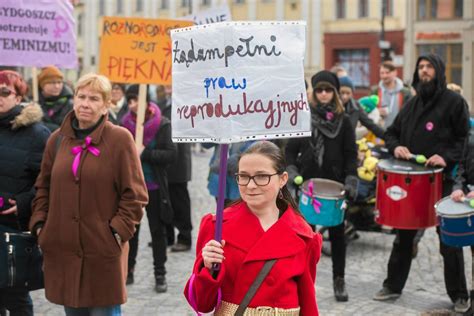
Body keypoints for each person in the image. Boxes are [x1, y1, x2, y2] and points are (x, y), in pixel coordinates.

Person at [29, 73, 148, 316]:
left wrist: (116, 231)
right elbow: (43, 187)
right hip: (63, 249)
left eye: (94, 98)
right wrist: (41, 225)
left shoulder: (119, 139)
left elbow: (135, 195)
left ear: (106, 105)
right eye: (81, 96)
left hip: (102, 251)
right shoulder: (56, 141)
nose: (85, 103)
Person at [373, 54, 471, 314]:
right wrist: (397, 147)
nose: (424, 71)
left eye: (429, 67)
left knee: (449, 242)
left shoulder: (454, 103)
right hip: (412, 183)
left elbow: (465, 139)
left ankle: (459, 295)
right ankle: (392, 285)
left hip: (445, 180)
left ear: (438, 71)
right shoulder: (413, 103)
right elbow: (391, 133)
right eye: (421, 67)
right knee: (404, 236)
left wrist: (446, 157)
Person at [184, 141, 322, 315]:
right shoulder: (216, 227)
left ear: (282, 179)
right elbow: (202, 304)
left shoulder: (304, 236)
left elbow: (308, 303)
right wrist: (208, 270)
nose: (250, 185)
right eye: (243, 176)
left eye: (261, 176)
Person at [286, 70, 358, 302]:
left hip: (335, 188)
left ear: (335, 93)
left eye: (328, 90)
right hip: (308, 187)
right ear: (314, 93)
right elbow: (289, 151)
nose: (324, 94)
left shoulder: (344, 121)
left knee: (337, 235)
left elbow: (350, 154)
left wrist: (350, 180)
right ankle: (303, 280)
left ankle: (339, 279)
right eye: (319, 90)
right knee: (305, 236)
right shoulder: (303, 118)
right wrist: (293, 171)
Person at [0, 70, 50, 315]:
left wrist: (24, 202)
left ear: (18, 97)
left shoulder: (36, 134)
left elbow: (48, 179)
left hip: (12, 229)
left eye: (4, 92)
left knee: (15, 295)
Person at [121, 84, 176, 291]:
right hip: (131, 187)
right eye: (130, 101)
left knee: (157, 231)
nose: (133, 105)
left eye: (136, 100)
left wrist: (144, 152)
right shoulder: (123, 124)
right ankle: (128, 270)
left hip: (154, 186)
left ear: (146, 101)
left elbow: (171, 155)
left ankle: (159, 274)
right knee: (131, 230)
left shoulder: (162, 124)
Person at [160, 85, 193, 252]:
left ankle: (185, 237)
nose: (169, 86)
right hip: (166, 161)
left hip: (178, 161)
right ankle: (168, 236)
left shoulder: (183, 102)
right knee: (166, 200)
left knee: (180, 201)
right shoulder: (162, 102)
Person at [204, 142, 255, 206]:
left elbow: (253, 148)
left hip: (236, 173)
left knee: (235, 206)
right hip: (218, 172)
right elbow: (205, 145)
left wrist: (226, 162)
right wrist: (216, 134)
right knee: (221, 207)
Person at [370, 61, 412, 128]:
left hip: (399, 133)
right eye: (382, 73)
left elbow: (411, 113)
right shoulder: (375, 91)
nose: (384, 76)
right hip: (379, 133)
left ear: (395, 72)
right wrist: (376, 111)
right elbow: (367, 111)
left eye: (387, 72)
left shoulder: (405, 92)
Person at [37, 65, 74, 131]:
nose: (57, 86)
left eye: (59, 82)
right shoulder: (34, 101)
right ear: (42, 85)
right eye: (52, 83)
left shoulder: (70, 103)